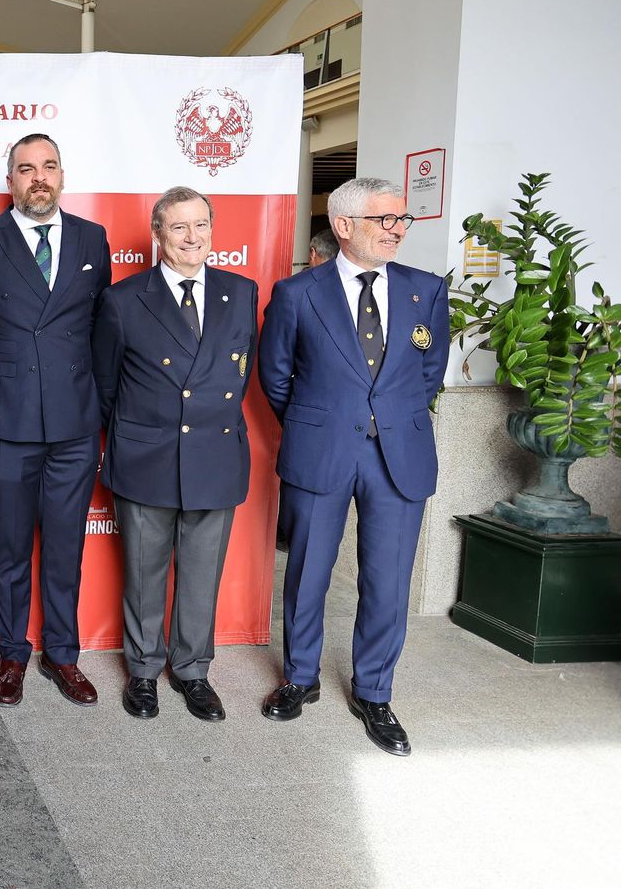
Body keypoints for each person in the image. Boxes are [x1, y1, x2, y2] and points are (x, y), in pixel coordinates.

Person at [257, 177, 449, 756]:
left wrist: (386, 417)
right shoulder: (297, 293)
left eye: (401, 220)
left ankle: (374, 692)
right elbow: (276, 375)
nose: (397, 230)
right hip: (321, 448)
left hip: (398, 453)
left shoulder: (426, 290)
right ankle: (300, 677)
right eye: (384, 220)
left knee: (388, 581)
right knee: (308, 572)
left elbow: (429, 372)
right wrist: (319, 422)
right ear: (343, 226)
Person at [91, 186, 259, 722]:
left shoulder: (241, 291)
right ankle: (143, 671)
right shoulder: (123, 299)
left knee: (202, 575)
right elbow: (106, 385)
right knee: (143, 574)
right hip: (147, 455)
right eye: (180, 227)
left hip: (215, 452)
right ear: (158, 234)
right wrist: (140, 431)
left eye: (201, 225)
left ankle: (192, 671)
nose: (193, 237)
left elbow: (241, 372)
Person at [0, 132, 110, 709]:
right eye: (26, 168)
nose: (38, 177)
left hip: (75, 423)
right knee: (11, 549)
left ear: (62, 175)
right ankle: (13, 654)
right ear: (10, 181)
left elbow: (102, 331)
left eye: (48, 166)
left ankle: (63, 655)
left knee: (66, 546)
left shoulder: (92, 238)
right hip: (10, 424)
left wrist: (100, 410)